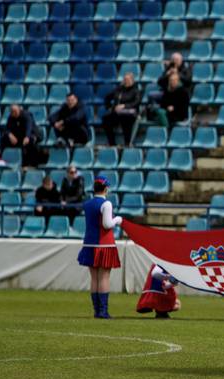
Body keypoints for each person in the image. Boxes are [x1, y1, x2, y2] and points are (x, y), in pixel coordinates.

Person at [77, 176, 122, 319]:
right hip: (104, 244)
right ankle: (103, 311)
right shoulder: (106, 204)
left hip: (89, 243)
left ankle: (97, 311)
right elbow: (107, 224)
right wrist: (118, 219)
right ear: (106, 189)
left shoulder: (87, 204)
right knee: (104, 277)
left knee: (94, 278)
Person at [102, 72, 141, 147]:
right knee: (106, 120)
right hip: (117, 113)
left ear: (132, 80)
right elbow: (107, 97)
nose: (126, 81)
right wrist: (111, 108)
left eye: (128, 80)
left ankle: (127, 143)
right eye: (125, 79)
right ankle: (112, 143)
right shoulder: (119, 89)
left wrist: (125, 106)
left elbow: (137, 102)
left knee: (125, 120)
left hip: (129, 113)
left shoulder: (136, 90)